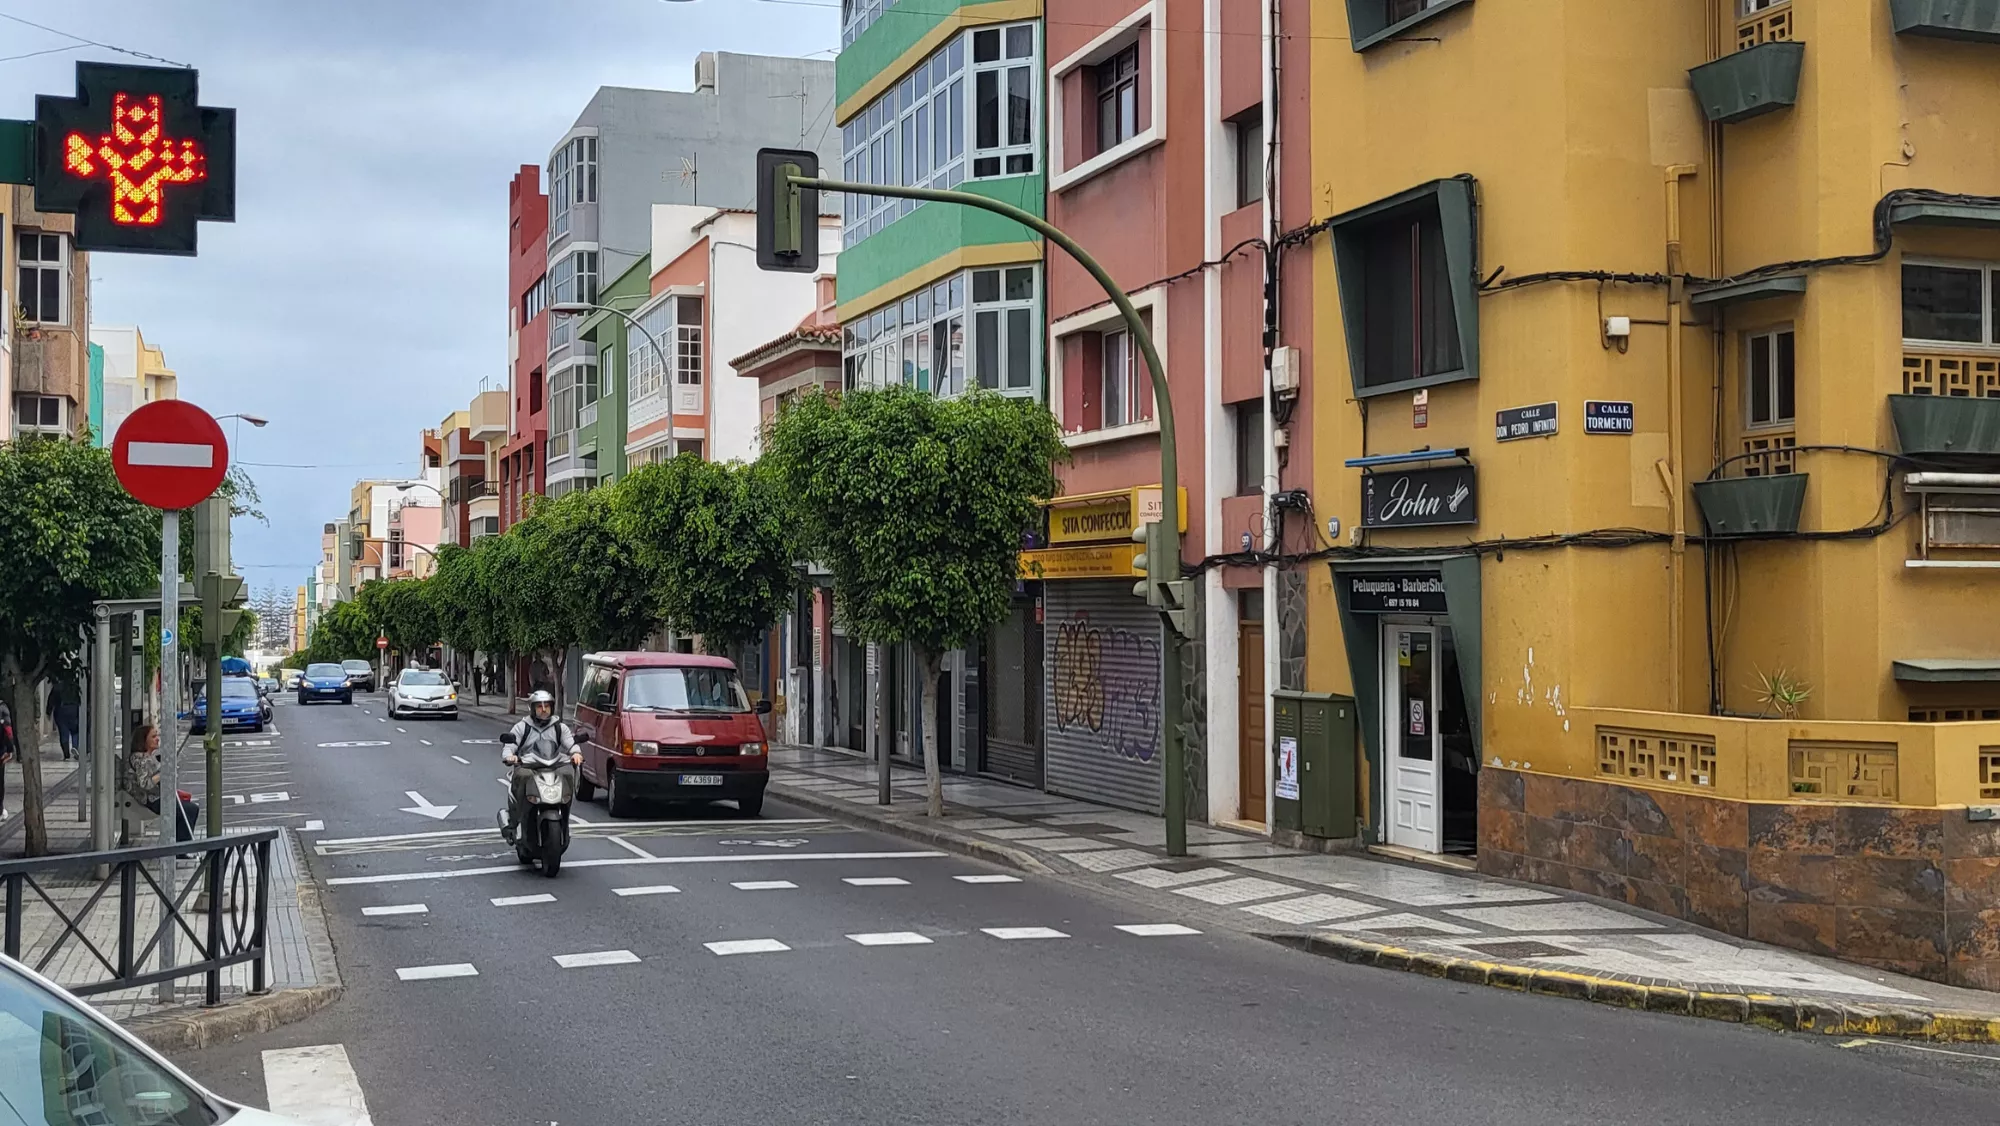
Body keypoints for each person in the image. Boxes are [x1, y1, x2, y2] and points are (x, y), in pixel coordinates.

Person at [500, 689, 580, 844]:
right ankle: (519, 817)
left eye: (547, 706)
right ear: (532, 709)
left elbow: (571, 743)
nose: (544, 710)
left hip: (552, 766)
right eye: (539, 706)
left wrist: (576, 753)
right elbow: (509, 746)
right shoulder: (522, 727)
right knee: (523, 775)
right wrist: (510, 756)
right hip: (529, 766)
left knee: (568, 774)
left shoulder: (559, 727)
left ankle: (564, 815)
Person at [121, 723, 199, 845]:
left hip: (156, 797)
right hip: (152, 800)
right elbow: (145, 783)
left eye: (157, 735)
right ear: (143, 740)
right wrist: (164, 772)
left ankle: (180, 843)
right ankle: (182, 847)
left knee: (186, 806)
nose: (157, 739)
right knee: (190, 809)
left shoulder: (147, 757)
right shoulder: (141, 759)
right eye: (153, 736)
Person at [45, 679, 79, 761]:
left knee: (63, 733)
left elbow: (51, 700)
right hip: (74, 709)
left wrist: (48, 712)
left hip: (61, 710)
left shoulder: (57, 686)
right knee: (75, 731)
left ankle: (66, 754)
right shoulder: (76, 686)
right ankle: (75, 747)